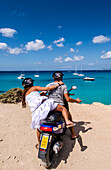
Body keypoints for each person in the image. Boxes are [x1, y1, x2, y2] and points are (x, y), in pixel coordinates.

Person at [22, 78, 74, 148]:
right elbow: (48, 88)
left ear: (23, 85)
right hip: (45, 106)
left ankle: (39, 143)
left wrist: (40, 95)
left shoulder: (25, 94)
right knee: (63, 109)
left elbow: (34, 99)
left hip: (37, 112)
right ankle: (67, 121)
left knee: (38, 128)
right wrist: (58, 84)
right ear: (32, 84)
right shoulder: (34, 88)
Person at [41, 71, 82, 139]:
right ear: (61, 77)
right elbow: (68, 99)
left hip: (49, 105)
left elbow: (43, 93)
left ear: (53, 77)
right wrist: (76, 101)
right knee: (69, 116)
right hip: (59, 106)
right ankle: (73, 134)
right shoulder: (63, 86)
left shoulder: (49, 85)